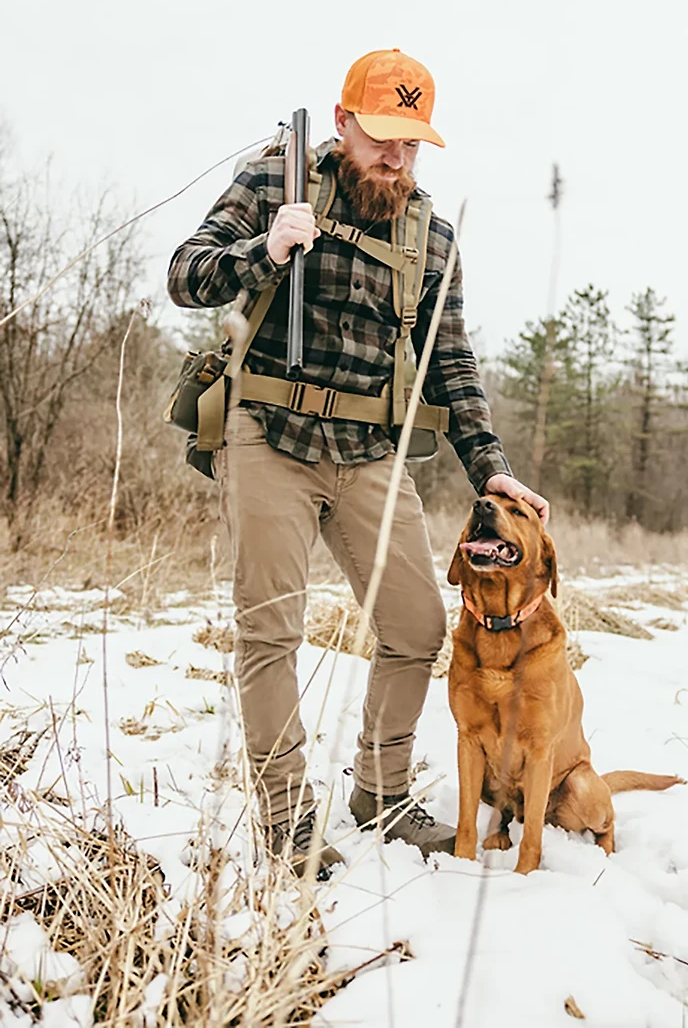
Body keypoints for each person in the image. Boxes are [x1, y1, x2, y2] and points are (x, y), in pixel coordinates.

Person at [167, 48, 549, 879]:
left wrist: (491, 468)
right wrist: (260, 252)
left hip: (370, 454)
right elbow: (184, 276)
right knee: (272, 629)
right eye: (383, 138)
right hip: (268, 434)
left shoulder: (431, 232)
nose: (396, 158)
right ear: (342, 124)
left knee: (416, 628)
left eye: (412, 144)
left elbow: (451, 361)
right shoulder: (276, 179)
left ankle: (380, 791)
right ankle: (288, 817)